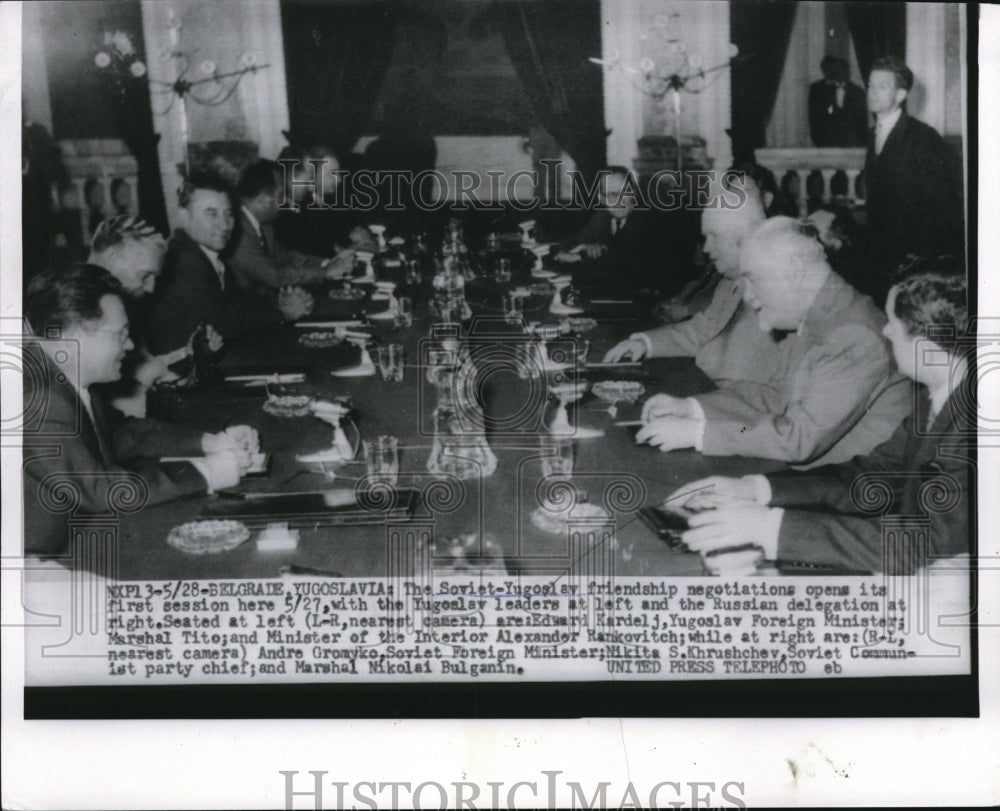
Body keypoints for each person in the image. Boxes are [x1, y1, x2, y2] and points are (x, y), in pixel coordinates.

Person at [671, 262, 970, 574]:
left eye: (893, 324)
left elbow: (929, 545)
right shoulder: (934, 398)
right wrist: (756, 489)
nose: (886, 330)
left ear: (926, 348)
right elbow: (870, 479)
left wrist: (771, 529)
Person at [633, 216, 910, 467]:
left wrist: (699, 433)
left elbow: (797, 438)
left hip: (841, 500)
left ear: (795, 272)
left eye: (754, 281)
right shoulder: (826, 314)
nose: (749, 297)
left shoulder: (854, 336)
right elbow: (778, 399)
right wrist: (694, 410)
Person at [21, 265, 257, 557]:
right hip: (41, 565)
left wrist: (211, 442)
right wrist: (206, 472)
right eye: (120, 334)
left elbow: (124, 435)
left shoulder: (70, 375)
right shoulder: (38, 398)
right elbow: (98, 489)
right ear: (73, 335)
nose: (130, 345)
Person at [142, 172, 312, 356]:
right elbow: (226, 324)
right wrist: (283, 313)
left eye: (228, 214)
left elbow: (237, 303)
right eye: (212, 214)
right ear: (184, 217)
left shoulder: (206, 251)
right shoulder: (180, 260)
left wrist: (279, 302)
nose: (224, 225)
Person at [862, 55, 964, 303]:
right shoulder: (872, 134)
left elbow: (941, 206)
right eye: (871, 85)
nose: (872, 92)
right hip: (883, 256)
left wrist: (918, 264)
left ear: (900, 95)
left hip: (911, 261)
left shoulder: (922, 137)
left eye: (882, 86)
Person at [554, 166, 695, 295]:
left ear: (634, 193)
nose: (619, 201)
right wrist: (584, 246)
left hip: (651, 299)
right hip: (614, 292)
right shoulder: (602, 217)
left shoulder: (651, 220)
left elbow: (625, 260)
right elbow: (570, 243)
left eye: (625, 193)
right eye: (612, 195)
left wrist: (579, 256)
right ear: (601, 198)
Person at [228, 160, 354, 296]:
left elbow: (286, 257)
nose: (283, 202)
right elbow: (274, 276)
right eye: (280, 196)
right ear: (263, 199)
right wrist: (325, 272)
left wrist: (326, 263)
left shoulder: (264, 225)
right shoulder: (238, 232)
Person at [808, 56, 868, 147]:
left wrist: (862, 141)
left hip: (852, 142)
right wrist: (817, 139)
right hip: (827, 141)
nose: (842, 73)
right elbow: (813, 116)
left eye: (845, 70)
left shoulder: (858, 92)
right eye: (838, 69)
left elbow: (862, 120)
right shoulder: (821, 90)